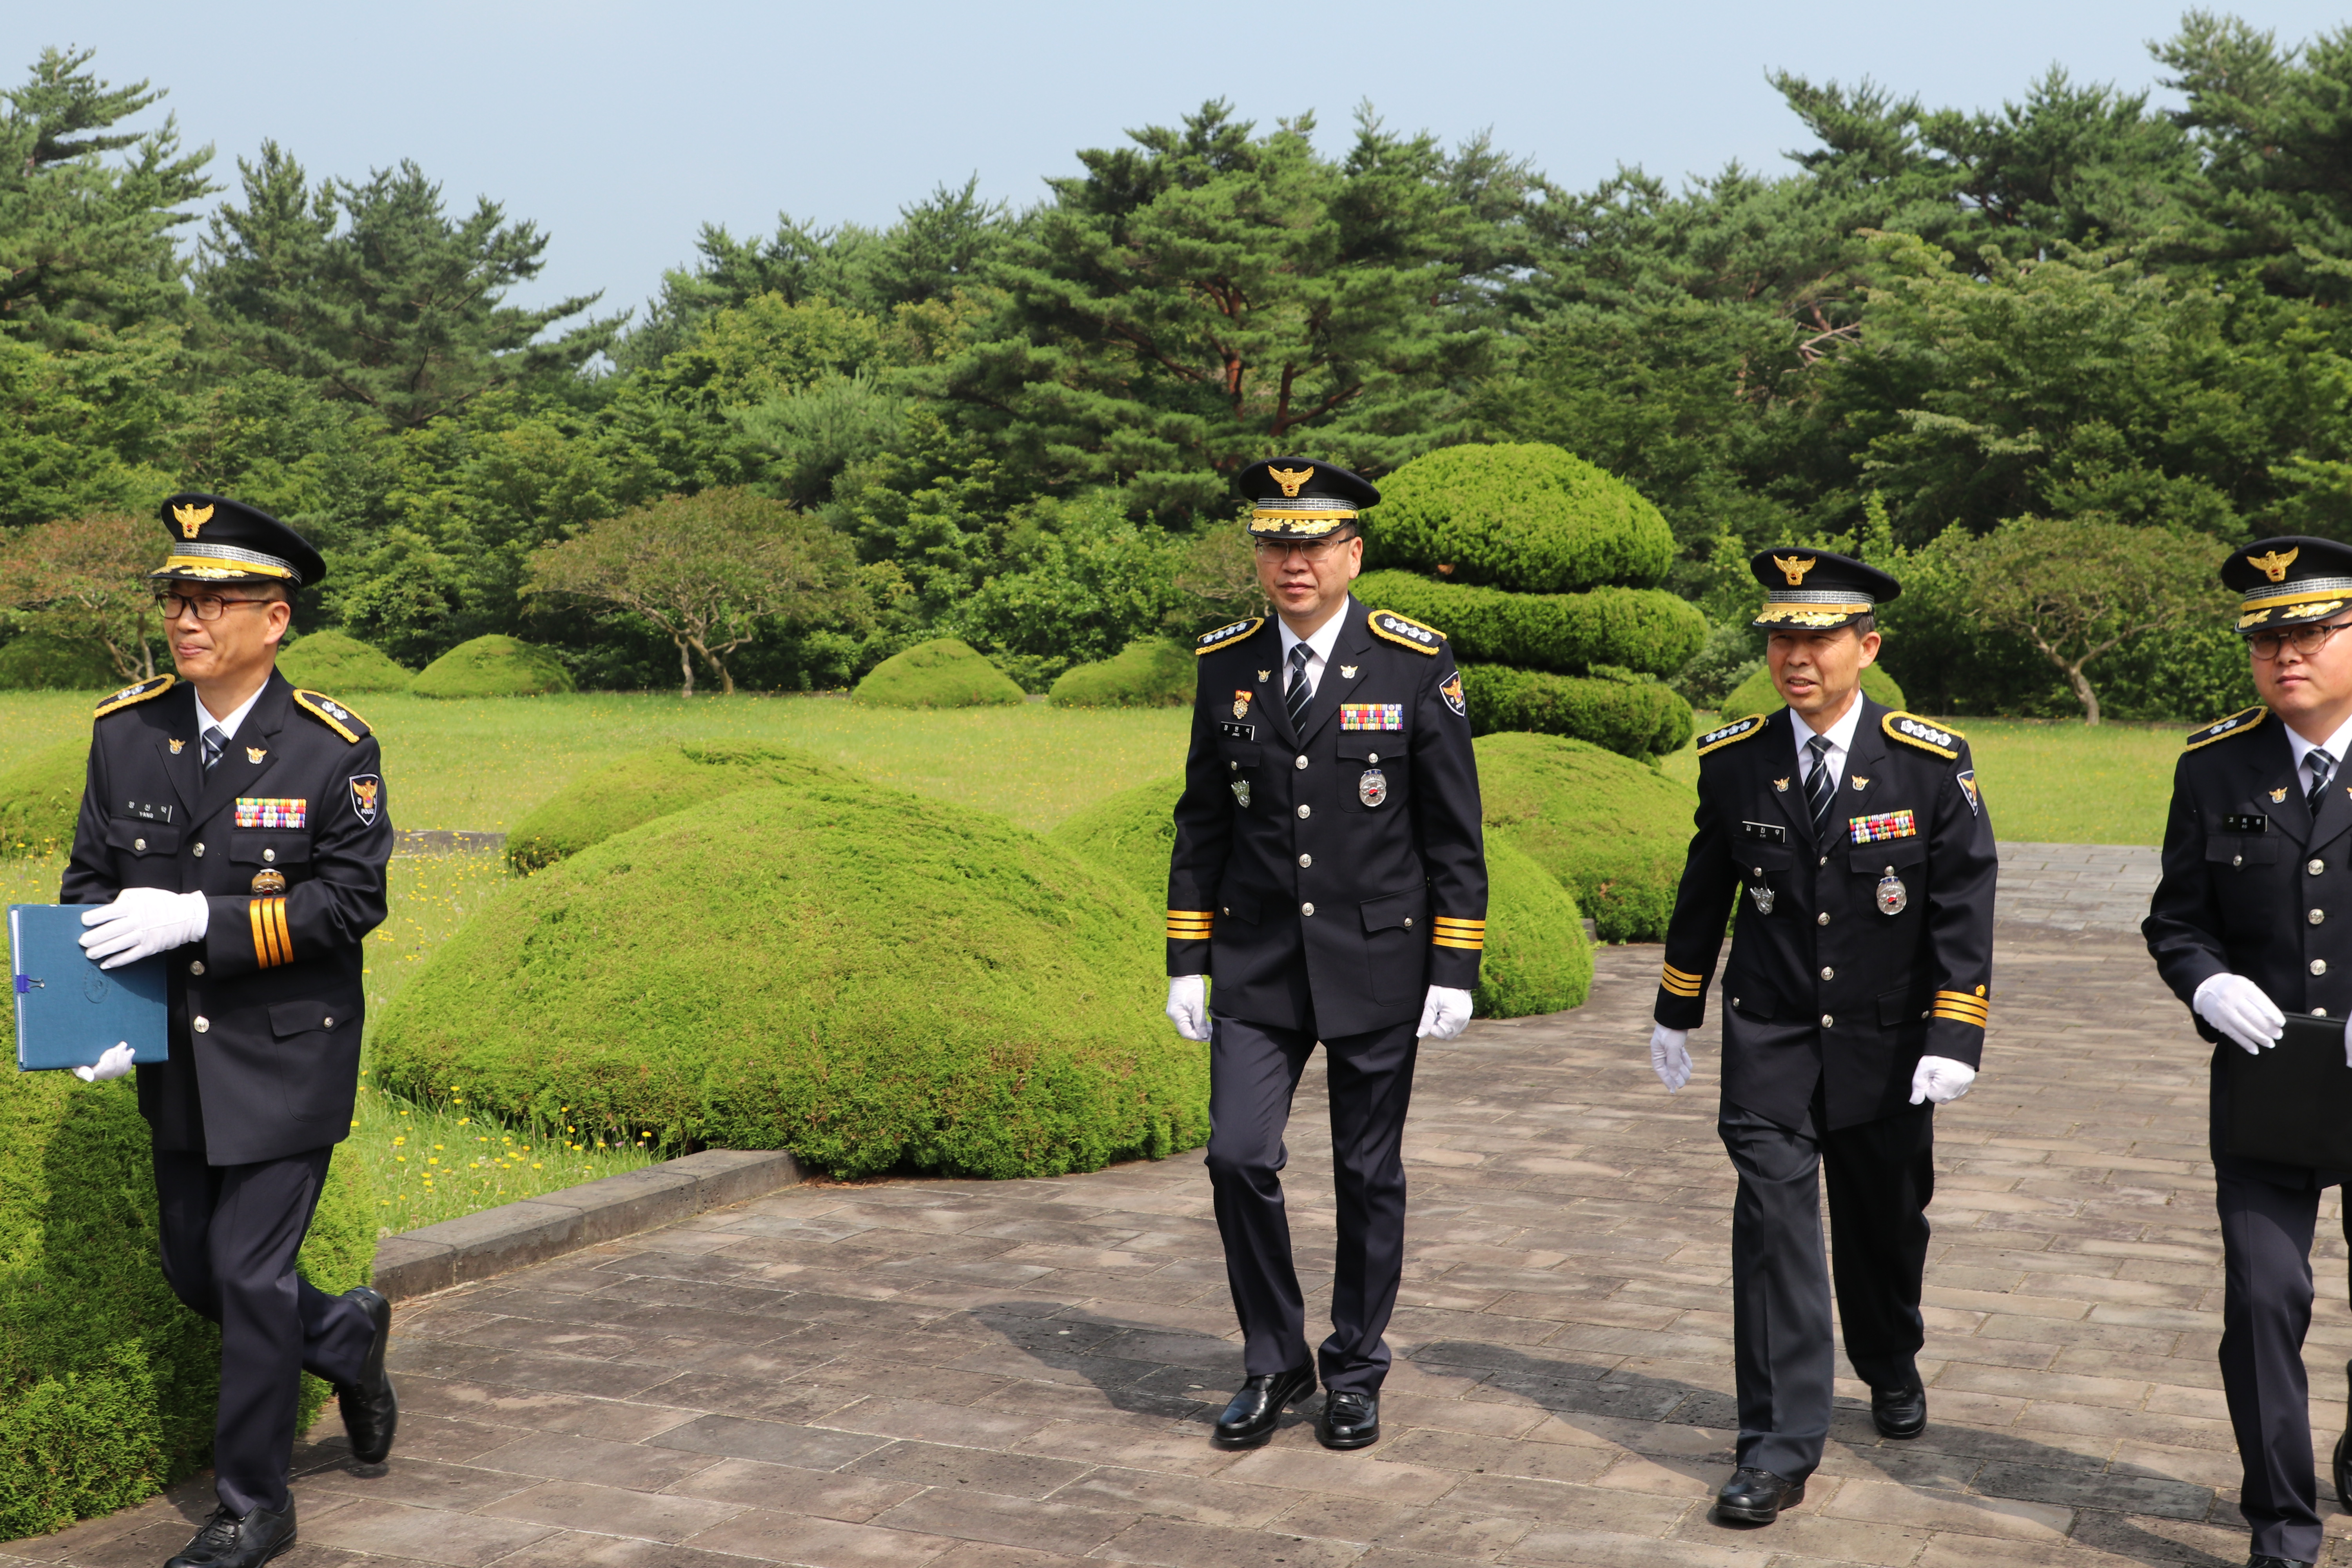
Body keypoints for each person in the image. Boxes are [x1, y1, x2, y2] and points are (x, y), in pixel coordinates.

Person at [64, 493, 398, 1568]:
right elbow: (89, 889)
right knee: (196, 1274)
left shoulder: (328, 746)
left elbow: (348, 903)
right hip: (176, 1053)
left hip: (287, 1050)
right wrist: (86, 1017)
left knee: (250, 1279)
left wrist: (200, 917)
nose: (187, 617)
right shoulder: (128, 735)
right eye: (176, 596)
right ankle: (346, 1336)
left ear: (276, 618)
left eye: (214, 598)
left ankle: (255, 1505)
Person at [1647, 549, 1997, 1526]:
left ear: (1866, 646)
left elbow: (1964, 902)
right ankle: (1777, 1444)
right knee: (1774, 1235)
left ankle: (1889, 1355)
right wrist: (1678, 1005)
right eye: (1781, 636)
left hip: (1888, 1044)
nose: (1795, 655)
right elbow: (1705, 887)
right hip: (1771, 1035)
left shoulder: (1930, 760)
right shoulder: (1735, 758)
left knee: (1886, 1225)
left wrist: (1956, 1028)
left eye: (1818, 636)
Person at [1162, 456, 1487, 1453]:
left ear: (1353, 551)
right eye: (1274, 543)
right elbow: (1203, 817)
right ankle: (1274, 1356)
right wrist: (1187, 955)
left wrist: (1454, 965)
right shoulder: (1227, 662)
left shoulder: (1414, 661)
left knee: (1366, 1167)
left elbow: (1453, 833)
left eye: (1312, 543)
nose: (1292, 561)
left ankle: (1354, 1364)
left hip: (1378, 959)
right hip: (1259, 961)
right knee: (1237, 1153)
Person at [2143, 535, 2352, 1568]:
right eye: (2269, 636)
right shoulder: (2216, 764)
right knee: (2266, 1298)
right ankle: (2282, 1526)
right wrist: (2207, 982)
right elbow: (2178, 919)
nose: (2287, 654)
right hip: (2266, 1086)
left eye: (2311, 629)